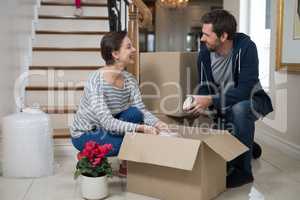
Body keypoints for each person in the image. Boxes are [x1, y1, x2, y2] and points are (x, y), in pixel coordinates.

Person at [188, 10, 273, 188]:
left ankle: (243, 172)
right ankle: (248, 146)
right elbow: (205, 85)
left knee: (240, 109)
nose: (202, 39)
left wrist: (211, 100)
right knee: (222, 118)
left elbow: (244, 90)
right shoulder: (204, 54)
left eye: (206, 34)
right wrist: (200, 101)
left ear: (224, 36)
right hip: (223, 101)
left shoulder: (247, 48)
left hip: (251, 99)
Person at [70, 31, 168, 175]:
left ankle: (124, 164)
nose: (134, 50)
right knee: (127, 143)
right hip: (85, 133)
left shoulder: (130, 80)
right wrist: (142, 129)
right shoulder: (96, 80)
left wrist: (158, 123)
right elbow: (108, 122)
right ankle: (88, 155)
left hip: (107, 128)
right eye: (129, 47)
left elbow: (141, 110)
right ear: (115, 54)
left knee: (135, 113)